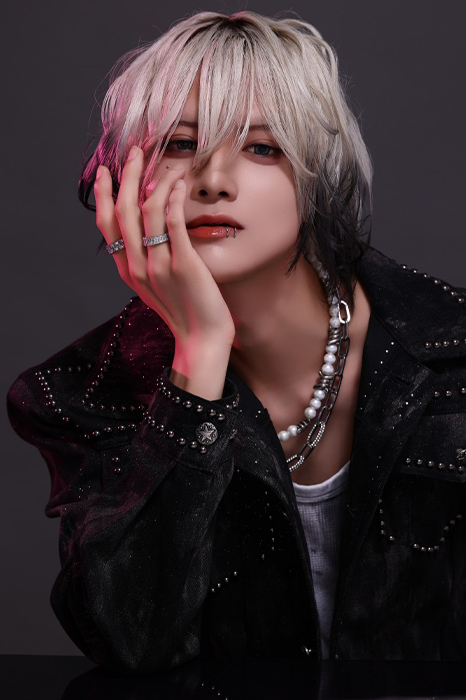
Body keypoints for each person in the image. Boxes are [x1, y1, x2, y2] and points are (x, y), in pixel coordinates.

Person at [7, 10, 466, 675]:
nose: (213, 179)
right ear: (122, 179)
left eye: (262, 148)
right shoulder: (76, 394)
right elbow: (131, 644)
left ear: (318, 176)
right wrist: (198, 355)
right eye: (179, 143)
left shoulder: (452, 357)